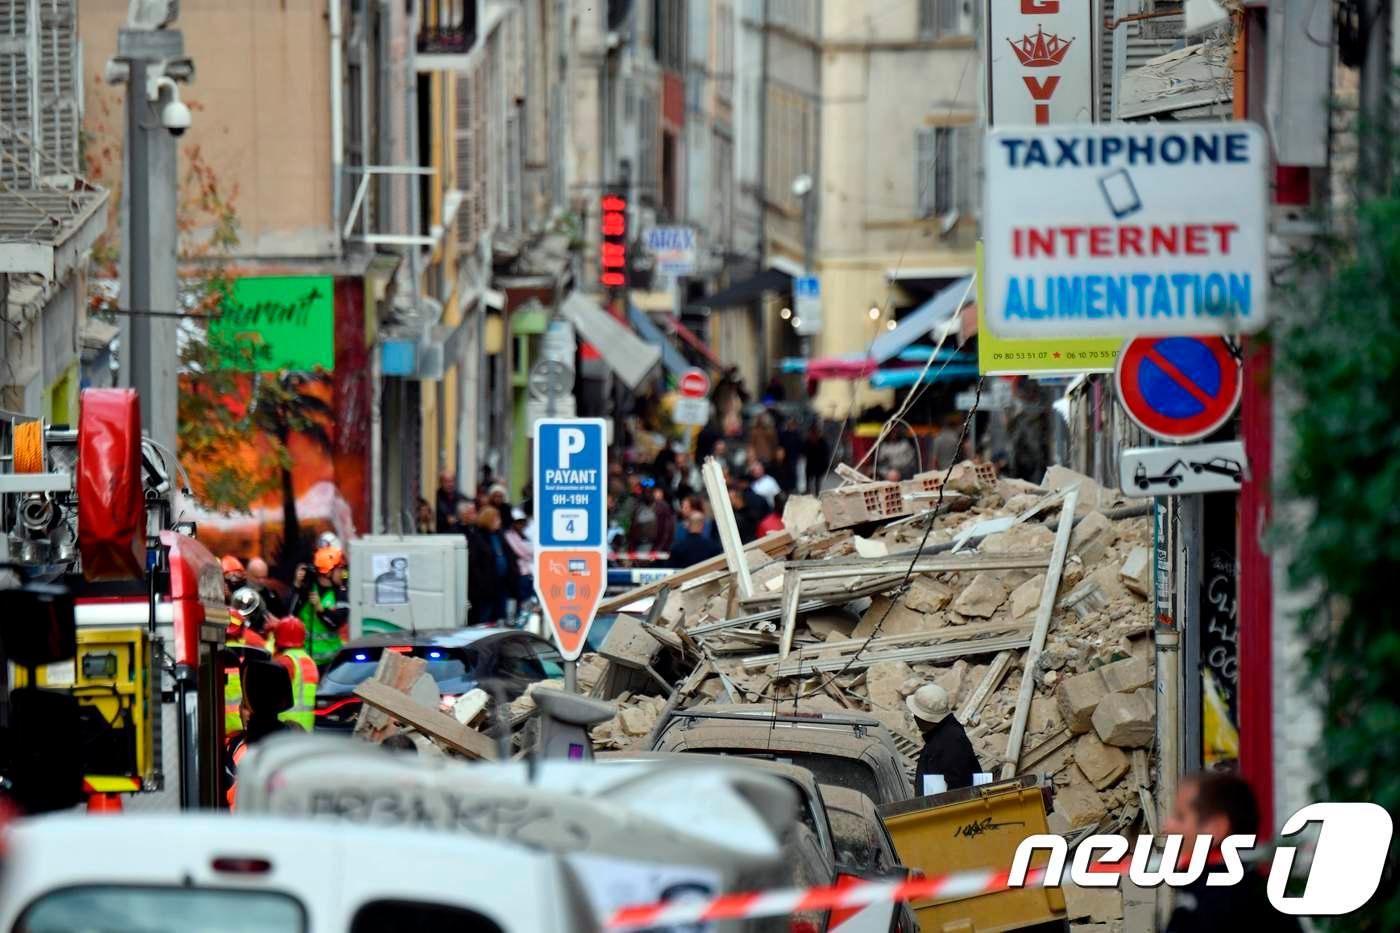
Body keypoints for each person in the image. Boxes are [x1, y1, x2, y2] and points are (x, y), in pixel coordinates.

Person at [1162, 772, 1302, 932]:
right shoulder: (1260, 893)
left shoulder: (1214, 901)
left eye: (1180, 817)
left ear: (1216, 828)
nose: (1168, 827)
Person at [223, 659, 295, 809]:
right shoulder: (230, 747)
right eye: (245, 707)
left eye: (250, 706)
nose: (249, 714)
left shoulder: (241, 751)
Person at [908, 683, 980, 794]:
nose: (915, 718)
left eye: (916, 714)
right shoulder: (947, 732)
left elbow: (953, 790)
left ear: (924, 718)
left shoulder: (948, 743)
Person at [294, 545, 348, 663]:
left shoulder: (341, 592)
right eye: (340, 569)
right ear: (328, 573)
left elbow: (337, 623)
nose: (343, 573)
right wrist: (297, 587)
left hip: (330, 662)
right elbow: (287, 614)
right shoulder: (307, 588)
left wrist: (321, 609)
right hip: (306, 661)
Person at [469, 506, 519, 625]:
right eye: (496, 519)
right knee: (485, 618)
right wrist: (482, 584)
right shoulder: (478, 537)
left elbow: (509, 556)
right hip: (486, 588)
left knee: (500, 618)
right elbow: (475, 565)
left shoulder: (499, 535)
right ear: (488, 520)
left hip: (502, 585)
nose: (499, 521)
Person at [268, 618, 319, 732]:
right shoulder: (309, 661)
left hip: (285, 727)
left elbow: (271, 696)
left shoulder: (286, 661)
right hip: (305, 728)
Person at [504, 508, 534, 604]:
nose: (520, 524)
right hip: (519, 573)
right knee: (522, 601)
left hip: (530, 571)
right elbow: (521, 551)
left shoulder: (525, 534)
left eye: (522, 522)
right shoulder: (509, 535)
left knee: (529, 600)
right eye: (518, 522)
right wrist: (532, 553)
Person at [802, 424, 830, 493]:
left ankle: (814, 492)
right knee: (810, 481)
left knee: (816, 481)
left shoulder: (822, 441)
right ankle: (809, 492)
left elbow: (825, 453)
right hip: (811, 464)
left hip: (818, 464)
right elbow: (804, 451)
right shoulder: (808, 441)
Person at [650, 486, 676, 553]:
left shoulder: (663, 506)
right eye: (655, 493)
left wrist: (661, 546)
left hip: (661, 543)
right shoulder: (656, 506)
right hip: (660, 542)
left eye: (659, 493)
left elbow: (666, 527)